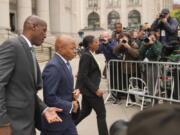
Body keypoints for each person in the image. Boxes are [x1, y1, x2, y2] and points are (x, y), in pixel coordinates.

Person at [0, 15, 62, 135]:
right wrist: (2, 123)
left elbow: (27, 90)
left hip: (28, 124)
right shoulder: (12, 46)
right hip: (13, 125)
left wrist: (44, 109)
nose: (45, 35)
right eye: (44, 30)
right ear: (33, 27)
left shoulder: (30, 49)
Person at [41, 35, 80, 135]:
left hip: (66, 121)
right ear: (61, 49)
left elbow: (63, 88)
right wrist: (71, 106)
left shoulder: (65, 63)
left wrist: (73, 93)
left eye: (75, 48)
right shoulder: (53, 66)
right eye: (72, 48)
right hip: (56, 123)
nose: (75, 51)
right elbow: (49, 97)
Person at [75, 35, 109, 135]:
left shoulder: (88, 54)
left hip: (88, 91)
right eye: (96, 42)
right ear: (90, 45)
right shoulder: (86, 55)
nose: (99, 44)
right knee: (101, 114)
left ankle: (67, 129)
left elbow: (83, 73)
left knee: (85, 112)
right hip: (91, 92)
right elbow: (83, 76)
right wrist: (95, 90)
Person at [113, 33, 140, 102]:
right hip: (125, 68)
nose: (124, 40)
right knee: (127, 84)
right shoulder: (121, 45)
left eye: (125, 38)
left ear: (129, 38)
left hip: (133, 67)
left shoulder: (134, 44)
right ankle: (130, 98)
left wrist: (128, 47)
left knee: (135, 83)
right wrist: (120, 44)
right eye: (123, 38)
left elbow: (136, 54)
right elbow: (115, 51)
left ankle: (138, 98)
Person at [139, 31, 162, 97]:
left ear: (155, 38)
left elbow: (157, 53)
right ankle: (147, 97)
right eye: (150, 37)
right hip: (145, 66)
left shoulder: (158, 44)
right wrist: (144, 45)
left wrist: (153, 44)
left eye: (153, 38)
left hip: (153, 66)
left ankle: (153, 98)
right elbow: (140, 53)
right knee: (145, 82)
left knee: (153, 83)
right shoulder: (146, 42)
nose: (151, 39)